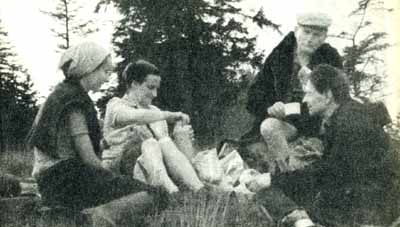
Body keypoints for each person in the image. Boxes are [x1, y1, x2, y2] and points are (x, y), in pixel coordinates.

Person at [27, 42, 167, 220]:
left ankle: (68, 213)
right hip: (63, 179)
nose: (107, 78)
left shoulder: (63, 95)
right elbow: (89, 159)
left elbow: (68, 147)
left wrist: (107, 143)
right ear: (89, 69)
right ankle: (96, 218)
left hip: (52, 180)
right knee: (157, 195)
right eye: (105, 71)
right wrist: (113, 177)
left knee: (129, 191)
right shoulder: (74, 103)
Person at [255, 64, 397, 227]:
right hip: (366, 196)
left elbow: (331, 172)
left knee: (271, 195)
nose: (304, 99)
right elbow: (330, 169)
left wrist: (274, 180)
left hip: (375, 205)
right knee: (279, 194)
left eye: (309, 93)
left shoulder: (350, 122)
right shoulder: (343, 115)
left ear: (328, 94)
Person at [242, 12, 343, 173]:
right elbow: (253, 96)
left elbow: (338, 98)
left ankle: (290, 181)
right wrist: (270, 108)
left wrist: (312, 85)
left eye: (316, 34)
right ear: (296, 31)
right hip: (284, 124)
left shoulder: (331, 59)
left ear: (324, 36)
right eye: (306, 32)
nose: (310, 39)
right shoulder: (279, 56)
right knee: (267, 128)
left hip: (314, 125)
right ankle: (287, 175)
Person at [102, 60, 204, 194]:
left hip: (151, 168)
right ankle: (171, 192)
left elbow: (169, 153)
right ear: (134, 84)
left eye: (157, 88)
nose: (155, 94)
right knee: (150, 143)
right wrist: (168, 115)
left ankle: (198, 190)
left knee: (164, 142)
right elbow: (134, 116)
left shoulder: (155, 111)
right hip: (118, 170)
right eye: (150, 87)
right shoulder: (116, 105)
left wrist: (182, 139)